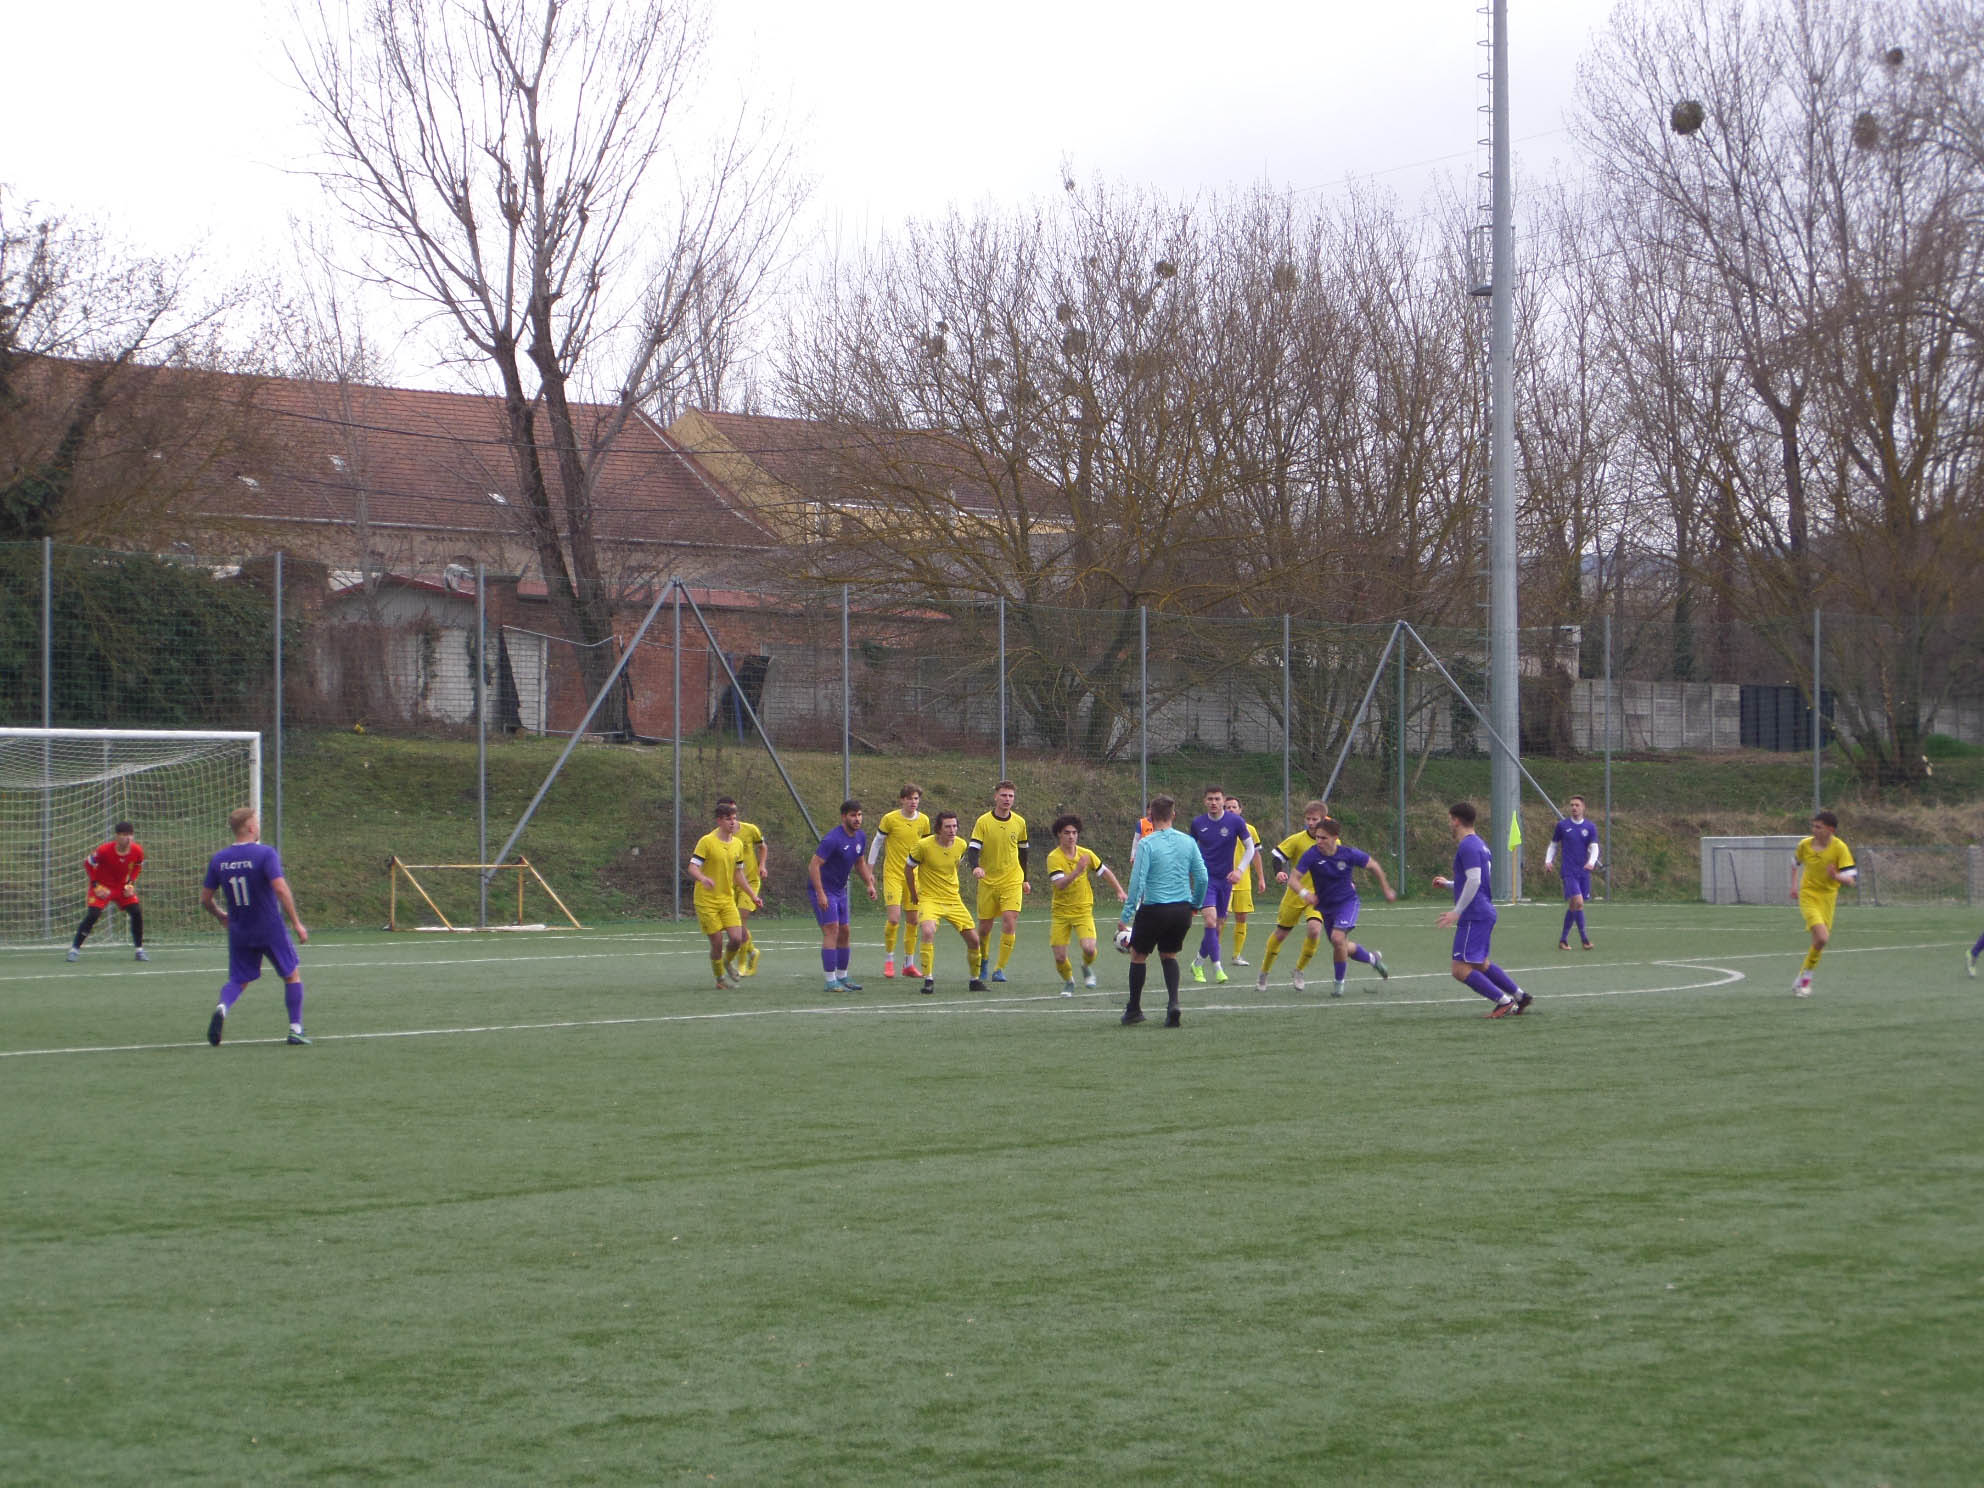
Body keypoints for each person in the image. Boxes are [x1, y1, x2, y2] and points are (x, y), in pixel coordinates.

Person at [200, 807, 311, 1045]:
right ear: (251, 827)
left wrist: (220, 915)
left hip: (239, 929)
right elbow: (280, 889)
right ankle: (296, 1029)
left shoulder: (219, 859)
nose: (258, 826)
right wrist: (296, 922)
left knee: (238, 980)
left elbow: (206, 899)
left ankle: (222, 1007)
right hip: (269, 927)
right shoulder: (265, 854)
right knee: (291, 974)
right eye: (257, 823)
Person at [1432, 801, 1532, 1018]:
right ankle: (1520, 996)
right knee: (1479, 963)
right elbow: (1474, 879)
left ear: (1456, 821)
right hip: (1483, 910)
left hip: (1474, 914)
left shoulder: (1467, 846)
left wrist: (1457, 911)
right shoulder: (1480, 845)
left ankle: (1504, 1001)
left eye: (1450, 820)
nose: (1449, 824)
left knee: (1460, 969)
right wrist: (1449, 884)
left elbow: (1475, 880)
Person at [1117, 796, 1210, 1027]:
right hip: (1181, 910)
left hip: (1154, 908)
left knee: (1138, 955)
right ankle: (1173, 1004)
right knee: (1169, 955)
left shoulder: (1146, 844)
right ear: (1173, 815)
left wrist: (1126, 915)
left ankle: (1134, 1009)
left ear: (1150, 817)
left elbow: (1137, 881)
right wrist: (1195, 905)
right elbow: (1202, 877)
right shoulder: (1188, 842)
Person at [1290, 817, 1395, 997]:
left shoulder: (1348, 854)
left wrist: (1386, 889)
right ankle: (1373, 959)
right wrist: (1305, 894)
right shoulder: (1311, 855)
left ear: (1335, 837)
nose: (1319, 841)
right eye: (1317, 837)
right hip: (1326, 907)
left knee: (1337, 939)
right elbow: (1293, 879)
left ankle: (1338, 985)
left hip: (1347, 903)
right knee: (1342, 946)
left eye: (1323, 838)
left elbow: (1374, 866)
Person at [1044, 814, 1128, 995]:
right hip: (1060, 912)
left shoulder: (1086, 854)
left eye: (1074, 833)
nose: (1071, 836)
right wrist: (1077, 871)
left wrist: (1119, 890)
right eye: (1067, 833)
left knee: (1089, 949)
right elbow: (1060, 884)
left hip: (1083, 909)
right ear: (1059, 834)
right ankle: (1069, 981)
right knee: (1060, 957)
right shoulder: (1053, 857)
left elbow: (1104, 871)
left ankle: (1085, 966)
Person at [905, 810, 986, 995]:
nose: (952, 830)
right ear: (938, 829)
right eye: (948, 827)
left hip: (952, 899)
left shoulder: (961, 845)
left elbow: (954, 866)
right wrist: (913, 893)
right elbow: (908, 868)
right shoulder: (923, 846)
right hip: (930, 898)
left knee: (974, 940)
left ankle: (974, 980)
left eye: (955, 826)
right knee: (928, 931)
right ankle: (928, 979)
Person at [1256, 800, 1329, 991]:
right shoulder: (1297, 839)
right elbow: (1277, 856)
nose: (1310, 822)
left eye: (1315, 819)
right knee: (1281, 934)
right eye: (1308, 819)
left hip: (1318, 897)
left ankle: (1299, 970)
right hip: (1295, 894)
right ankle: (1264, 972)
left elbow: (1340, 863)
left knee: (1314, 930)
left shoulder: (1333, 841)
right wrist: (1278, 871)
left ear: (1323, 819)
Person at [689, 801, 761, 989]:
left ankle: (727, 963)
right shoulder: (707, 841)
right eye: (728, 819)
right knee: (717, 943)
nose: (733, 822)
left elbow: (739, 874)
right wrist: (703, 878)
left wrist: (753, 895)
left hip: (727, 899)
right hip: (706, 901)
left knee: (737, 938)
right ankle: (720, 979)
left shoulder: (737, 844)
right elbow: (693, 867)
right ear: (719, 821)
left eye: (734, 818)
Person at [810, 799, 878, 994]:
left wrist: (869, 884)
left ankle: (842, 976)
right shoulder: (832, 839)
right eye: (853, 815)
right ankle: (830, 981)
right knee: (832, 930)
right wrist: (820, 893)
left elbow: (859, 862)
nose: (857, 819)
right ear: (843, 817)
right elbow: (813, 865)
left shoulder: (860, 836)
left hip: (840, 891)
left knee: (845, 932)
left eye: (860, 815)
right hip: (824, 889)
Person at [1188, 786, 1254, 985]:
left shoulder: (1235, 822)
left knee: (1216, 928)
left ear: (1223, 800)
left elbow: (1250, 848)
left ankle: (1198, 963)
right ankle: (1218, 967)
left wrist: (1239, 870)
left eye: (1217, 799)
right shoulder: (1198, 823)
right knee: (1210, 921)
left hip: (1225, 881)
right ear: (1204, 801)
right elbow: (1189, 849)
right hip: (1205, 880)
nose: (1213, 802)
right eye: (1210, 799)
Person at [868, 783, 933, 978]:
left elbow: (928, 847)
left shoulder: (924, 820)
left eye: (916, 798)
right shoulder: (890, 819)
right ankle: (889, 960)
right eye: (910, 798)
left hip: (914, 877)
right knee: (894, 919)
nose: (913, 802)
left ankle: (908, 964)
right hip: (893, 875)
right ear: (902, 800)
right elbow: (877, 843)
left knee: (913, 920)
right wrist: (870, 870)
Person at [968, 781, 1030, 983]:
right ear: (996, 797)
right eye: (1003, 795)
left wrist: (1025, 879)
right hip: (988, 882)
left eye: (1010, 796)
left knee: (1010, 921)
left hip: (1012, 880)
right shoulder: (983, 822)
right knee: (984, 928)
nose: (1007, 799)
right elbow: (973, 849)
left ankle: (999, 969)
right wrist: (975, 867)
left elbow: (1023, 852)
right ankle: (984, 960)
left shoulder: (1019, 822)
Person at [1790, 809, 1856, 997]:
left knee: (1819, 942)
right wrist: (1793, 886)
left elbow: (1851, 880)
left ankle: (1802, 979)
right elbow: (1794, 863)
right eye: (1813, 826)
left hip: (1828, 898)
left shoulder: (1840, 848)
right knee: (1822, 938)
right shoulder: (1804, 845)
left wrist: (1836, 876)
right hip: (1808, 895)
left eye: (1818, 827)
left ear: (1830, 830)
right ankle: (1805, 982)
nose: (1814, 830)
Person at [68, 820, 148, 962]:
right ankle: (74, 949)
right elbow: (88, 864)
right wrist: (95, 885)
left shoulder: (137, 850)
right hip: (102, 887)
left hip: (121, 887)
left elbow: (138, 865)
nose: (128, 838)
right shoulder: (104, 850)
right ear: (117, 836)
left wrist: (130, 884)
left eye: (130, 834)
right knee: (93, 914)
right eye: (124, 835)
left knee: (136, 911)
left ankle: (139, 950)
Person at [1545, 794, 1601, 950]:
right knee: (1579, 902)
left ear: (1583, 808)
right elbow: (1553, 844)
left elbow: (1594, 847)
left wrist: (1591, 862)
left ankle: (1563, 940)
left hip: (1583, 872)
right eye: (1572, 805)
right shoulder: (1562, 825)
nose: (1574, 807)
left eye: (1577, 805)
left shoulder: (1590, 827)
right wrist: (1548, 860)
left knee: (1574, 906)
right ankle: (1585, 940)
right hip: (1568, 871)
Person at [719, 796, 767, 977]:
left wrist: (762, 865)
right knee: (733, 924)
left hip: (750, 881)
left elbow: (763, 847)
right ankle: (752, 951)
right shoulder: (717, 836)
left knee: (740, 920)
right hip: (731, 885)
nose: (731, 817)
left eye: (733, 812)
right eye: (727, 814)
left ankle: (741, 964)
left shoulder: (750, 830)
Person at [1223, 795, 1268, 966]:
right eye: (1227, 807)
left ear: (1240, 810)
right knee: (1221, 917)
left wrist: (1261, 878)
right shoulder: (1218, 827)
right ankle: (1214, 954)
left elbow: (1255, 855)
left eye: (1234, 807)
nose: (1230, 809)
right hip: (1224, 880)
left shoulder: (1250, 829)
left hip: (1243, 881)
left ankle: (1237, 955)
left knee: (1241, 917)